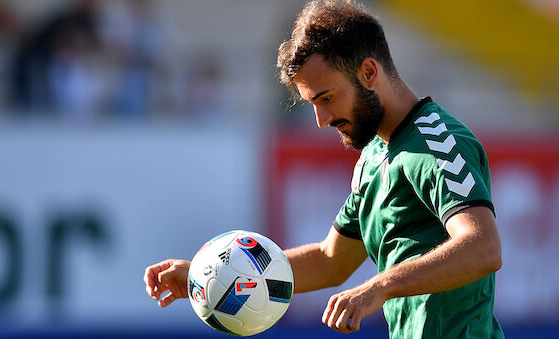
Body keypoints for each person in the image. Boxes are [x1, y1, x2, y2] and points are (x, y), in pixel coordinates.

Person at [144, 0, 504, 337]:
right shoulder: (374, 157)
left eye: (327, 98)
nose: (321, 120)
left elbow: (482, 247)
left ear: (368, 72)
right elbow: (331, 260)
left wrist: (378, 287)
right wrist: (210, 273)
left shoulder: (437, 141)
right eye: (312, 104)